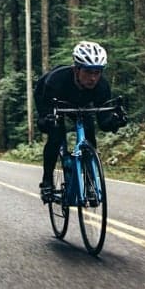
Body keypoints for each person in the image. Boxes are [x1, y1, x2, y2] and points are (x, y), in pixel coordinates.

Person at [34, 41, 127, 202]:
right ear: (76, 69)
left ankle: (90, 182)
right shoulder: (56, 80)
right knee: (55, 135)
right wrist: (46, 120)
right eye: (88, 72)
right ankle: (47, 182)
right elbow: (44, 117)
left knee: (90, 136)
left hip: (81, 105)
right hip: (53, 99)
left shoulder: (102, 86)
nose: (93, 78)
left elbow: (103, 123)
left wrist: (115, 121)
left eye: (97, 72)